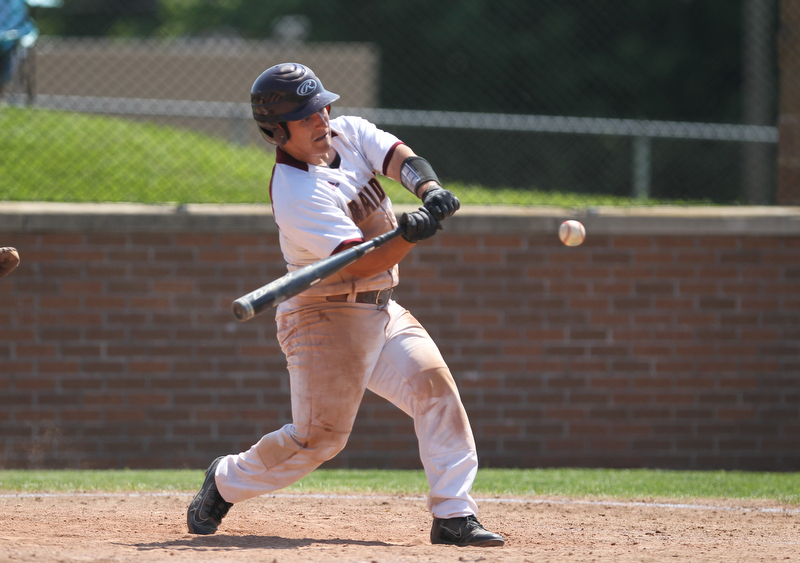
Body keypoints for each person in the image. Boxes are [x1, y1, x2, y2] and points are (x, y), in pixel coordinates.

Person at [186, 62, 504, 548]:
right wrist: (411, 235)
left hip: (380, 307)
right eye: (305, 115)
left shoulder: (348, 134)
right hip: (322, 316)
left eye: (322, 107)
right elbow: (358, 264)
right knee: (319, 439)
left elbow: (398, 156)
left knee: (436, 389)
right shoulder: (295, 193)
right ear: (276, 132)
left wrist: (429, 190)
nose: (321, 120)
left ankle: (454, 515)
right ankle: (226, 479)